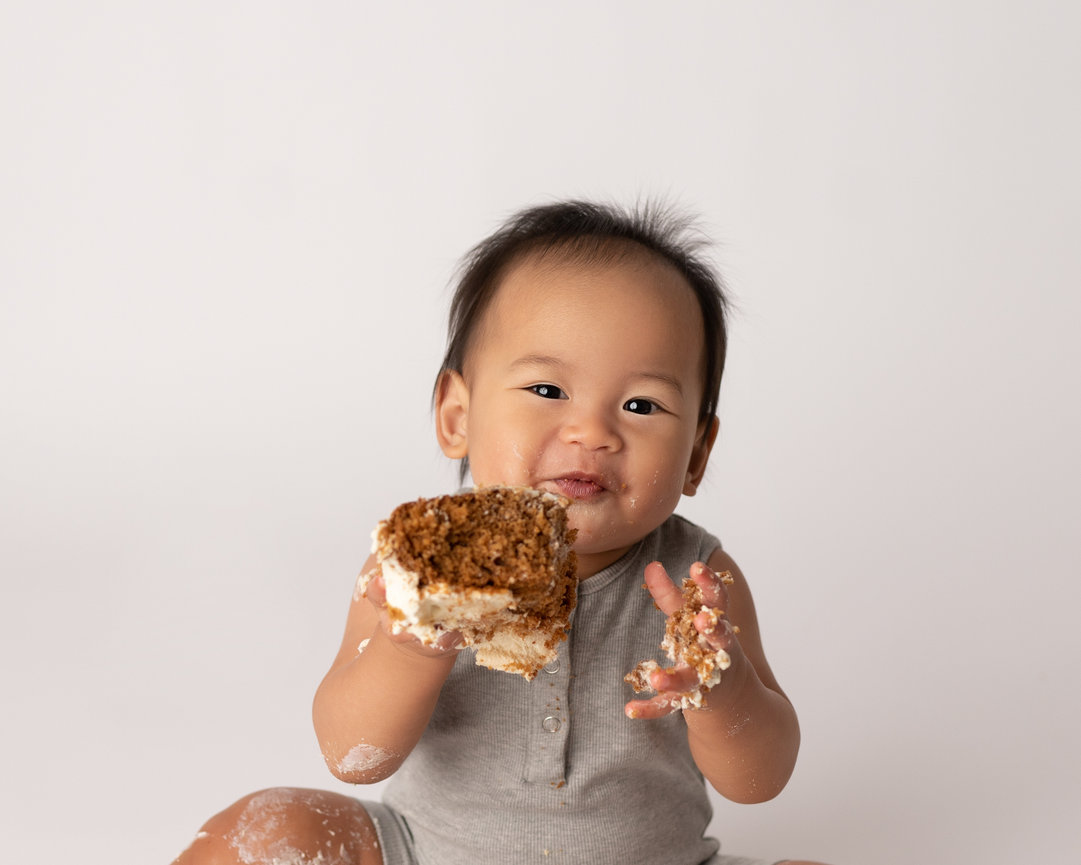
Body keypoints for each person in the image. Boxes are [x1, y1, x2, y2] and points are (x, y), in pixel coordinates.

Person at [173, 201, 827, 865]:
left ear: (694, 453)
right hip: (424, 853)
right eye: (547, 388)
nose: (591, 432)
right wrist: (413, 645)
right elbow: (351, 755)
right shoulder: (417, 563)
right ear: (457, 415)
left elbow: (758, 780)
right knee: (266, 828)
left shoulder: (696, 581)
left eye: (640, 405)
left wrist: (720, 686)